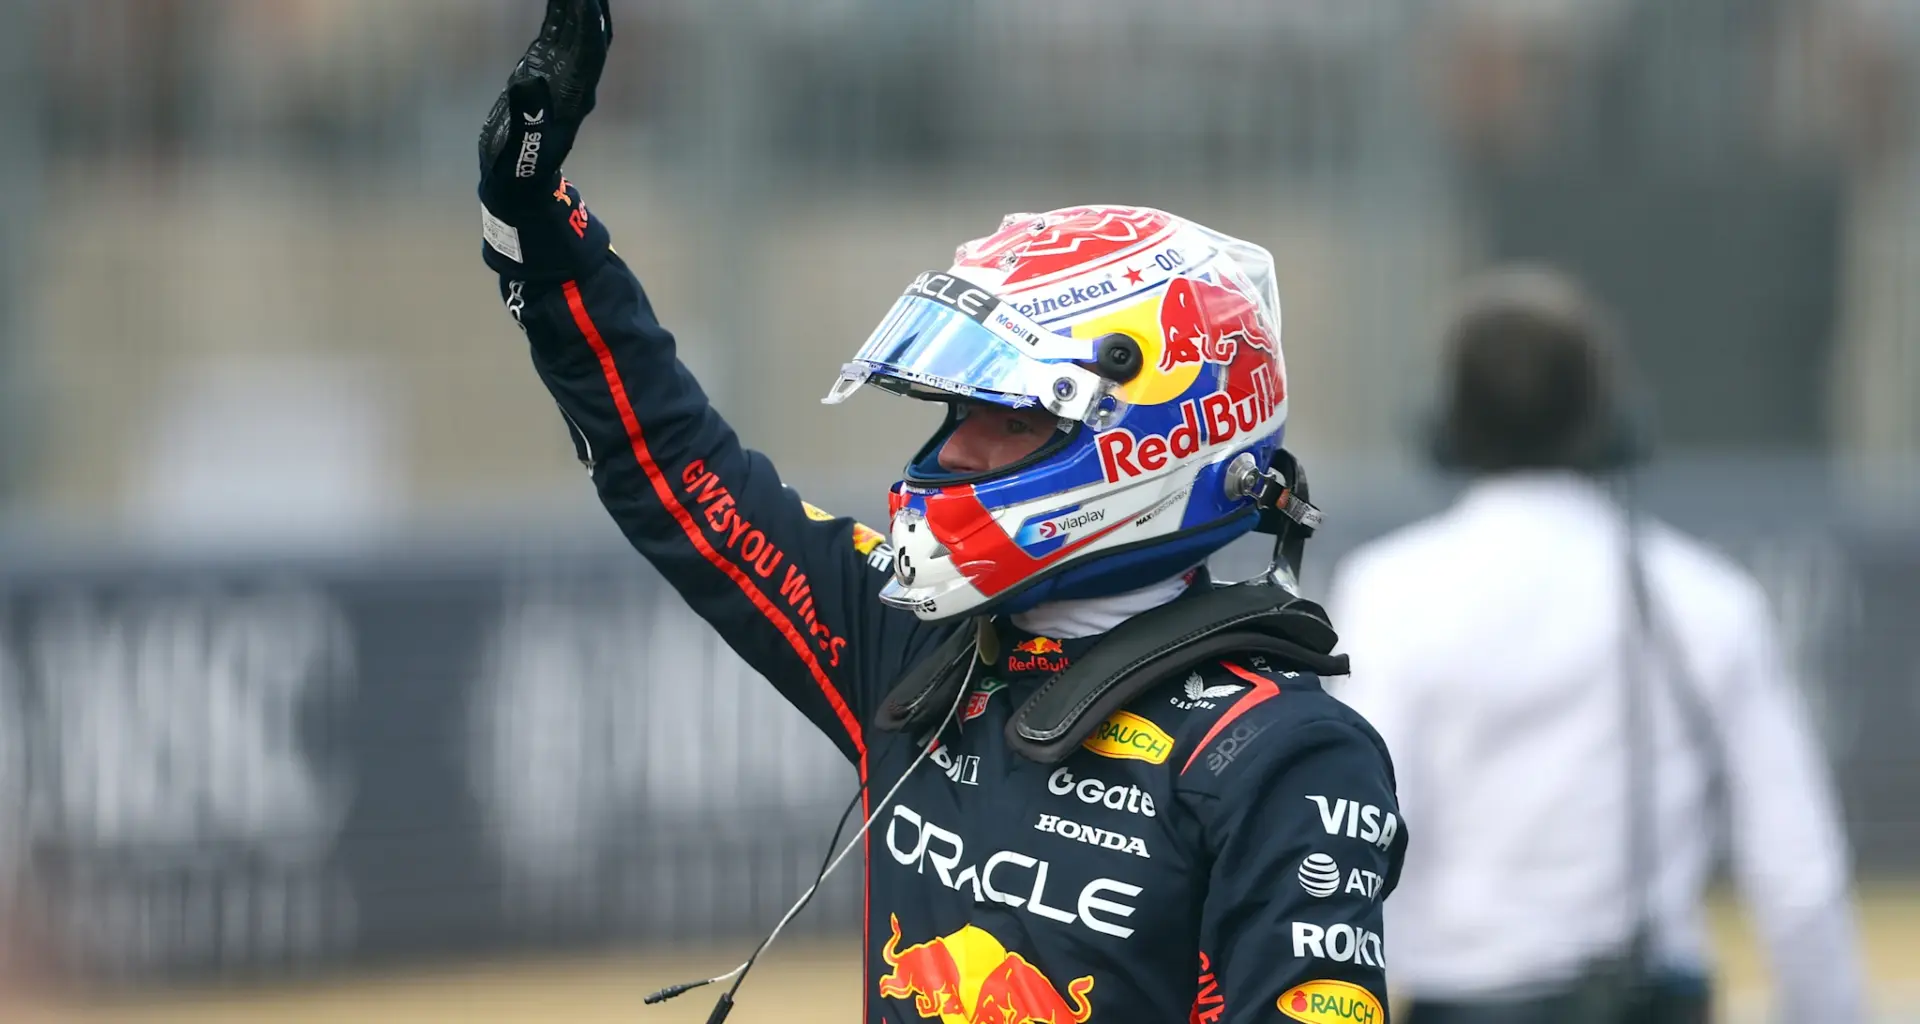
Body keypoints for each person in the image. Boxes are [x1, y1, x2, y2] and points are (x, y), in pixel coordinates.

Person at [476, 3, 1407, 1021]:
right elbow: (667, 460)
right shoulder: (913, 644)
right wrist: (533, 226)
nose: (954, 451)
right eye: (954, 411)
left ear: (1155, 441)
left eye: (1004, 420)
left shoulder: (1281, 753)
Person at [1326, 267, 1867, 1023]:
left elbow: (1361, 834)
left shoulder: (1389, 591)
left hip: (1463, 1005)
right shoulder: (1705, 599)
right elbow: (1796, 869)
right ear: (1614, 419)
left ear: (1444, 421)